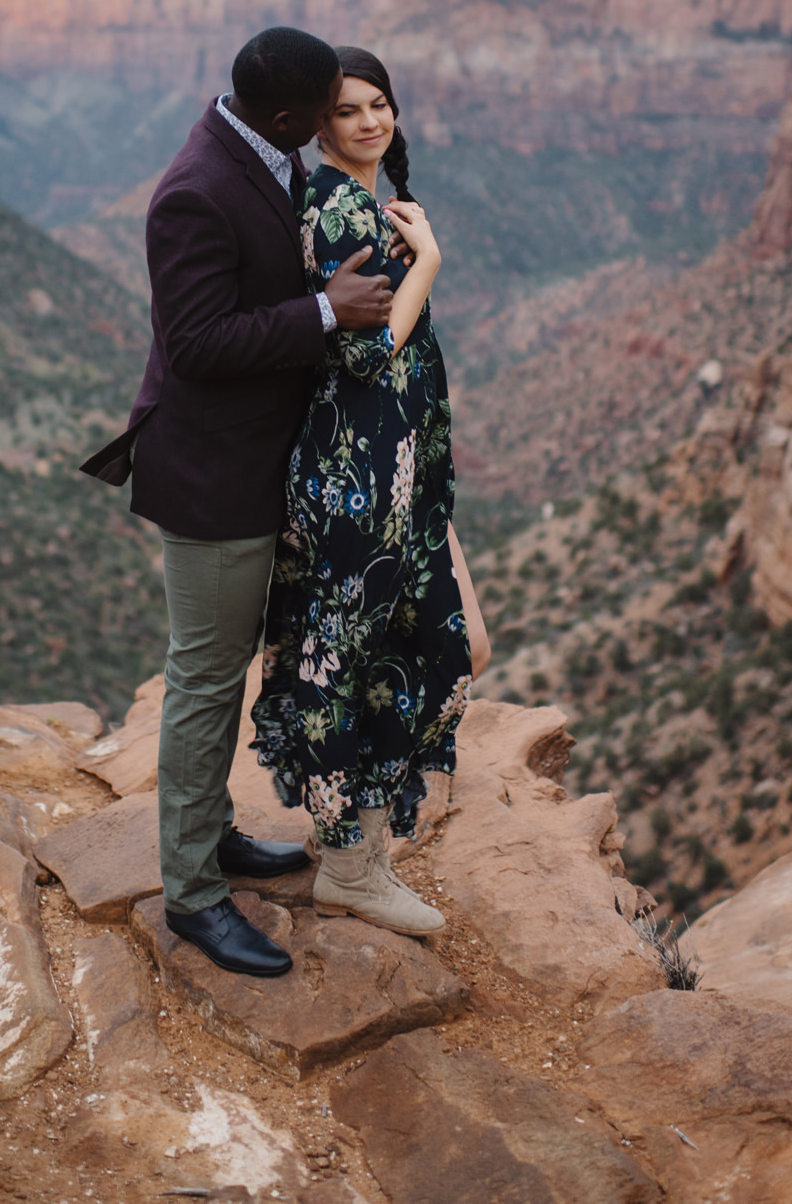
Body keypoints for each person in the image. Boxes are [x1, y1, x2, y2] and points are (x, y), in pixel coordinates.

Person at [81, 27, 395, 979]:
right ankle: (193, 896)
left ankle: (212, 835)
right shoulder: (194, 190)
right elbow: (197, 343)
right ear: (290, 117)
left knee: (221, 671)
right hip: (213, 476)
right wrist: (327, 312)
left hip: (258, 463)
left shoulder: (254, 147)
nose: (340, 126)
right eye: (328, 113)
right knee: (207, 679)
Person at [250, 46, 488, 935]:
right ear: (319, 124)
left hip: (388, 473)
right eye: (348, 110)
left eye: (380, 104)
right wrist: (428, 261)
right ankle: (351, 861)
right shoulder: (340, 203)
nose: (369, 122)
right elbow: (361, 351)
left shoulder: (366, 199)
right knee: (351, 661)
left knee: (394, 650)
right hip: (355, 482)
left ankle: (353, 848)